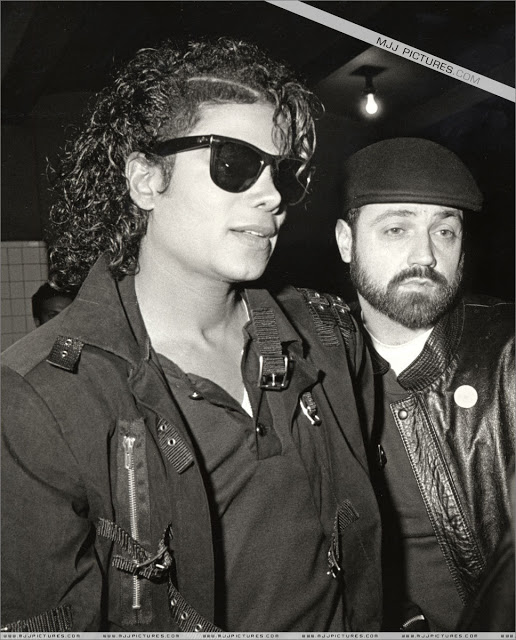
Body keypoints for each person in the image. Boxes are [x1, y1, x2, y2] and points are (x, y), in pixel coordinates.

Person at [1, 38, 382, 632]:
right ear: (146, 179)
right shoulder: (40, 397)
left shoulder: (329, 337)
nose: (272, 196)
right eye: (235, 163)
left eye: (284, 173)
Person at [335, 137, 515, 631]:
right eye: (397, 229)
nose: (426, 255)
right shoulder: (314, 368)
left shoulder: (507, 353)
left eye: (445, 231)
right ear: (346, 241)